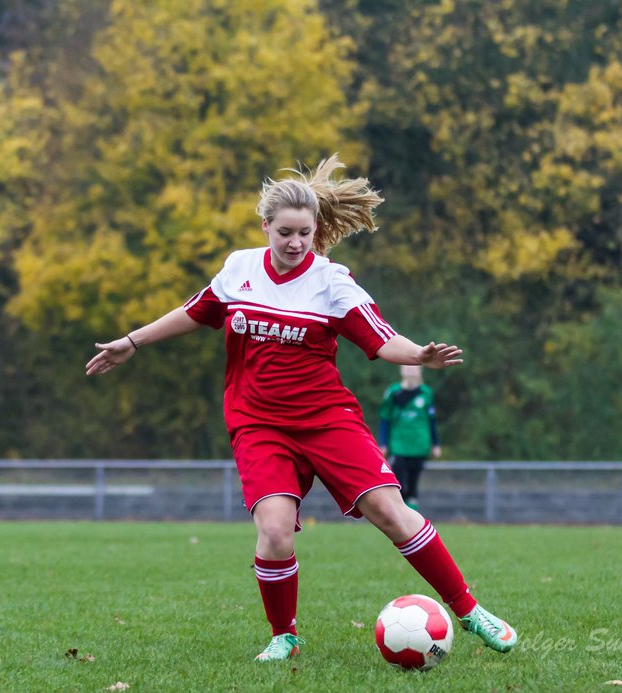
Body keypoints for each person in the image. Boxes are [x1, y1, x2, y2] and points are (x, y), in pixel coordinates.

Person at [85, 155, 516, 661]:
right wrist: (132, 342)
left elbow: (381, 341)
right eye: (284, 232)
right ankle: (283, 636)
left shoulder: (332, 283)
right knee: (273, 531)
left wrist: (419, 354)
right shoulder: (239, 269)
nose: (294, 243)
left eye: (305, 234)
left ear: (316, 232)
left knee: (390, 511)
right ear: (265, 226)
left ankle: (468, 610)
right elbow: (195, 311)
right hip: (257, 421)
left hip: (326, 418)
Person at [378, 365, 441, 510]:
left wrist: (435, 444)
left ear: (420, 371)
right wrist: (383, 443)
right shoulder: (393, 392)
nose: (411, 370)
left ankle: (413, 521)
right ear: (401, 370)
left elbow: (431, 420)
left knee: (413, 488)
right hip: (399, 446)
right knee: (400, 485)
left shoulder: (426, 393)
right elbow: (384, 419)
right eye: (407, 367)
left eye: (414, 367)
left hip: (420, 446)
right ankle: (401, 517)